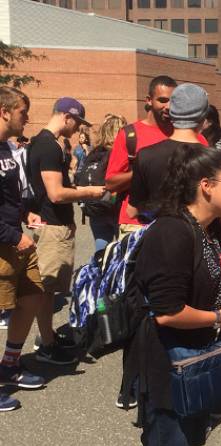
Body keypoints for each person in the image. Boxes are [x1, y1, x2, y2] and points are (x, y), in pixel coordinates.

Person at [125, 144, 221, 446]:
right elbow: (168, 312)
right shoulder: (172, 232)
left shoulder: (204, 230)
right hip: (166, 366)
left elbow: (202, 289)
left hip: (190, 364)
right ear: (206, 186)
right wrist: (219, 317)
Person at [28, 97, 106, 365]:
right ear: (67, 116)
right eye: (78, 123)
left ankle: (47, 336)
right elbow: (56, 193)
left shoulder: (44, 143)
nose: (78, 129)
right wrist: (91, 192)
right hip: (53, 228)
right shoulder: (49, 147)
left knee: (47, 290)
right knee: (45, 289)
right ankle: (46, 346)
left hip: (50, 225)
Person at [0, 87, 46, 411]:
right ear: (5, 111)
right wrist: (13, 236)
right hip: (6, 242)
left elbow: (7, 197)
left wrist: (23, 215)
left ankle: (10, 364)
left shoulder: (5, 148)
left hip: (15, 238)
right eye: (22, 112)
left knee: (31, 296)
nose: (26, 118)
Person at [105, 75, 177, 238]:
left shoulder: (184, 134)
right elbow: (110, 183)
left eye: (173, 101)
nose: (168, 106)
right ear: (149, 100)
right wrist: (143, 171)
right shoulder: (130, 134)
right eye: (163, 100)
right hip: (135, 224)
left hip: (173, 222)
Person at [128, 83, 210, 221]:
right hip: (197, 235)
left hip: (158, 235)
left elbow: (132, 211)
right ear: (203, 116)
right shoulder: (214, 159)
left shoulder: (145, 155)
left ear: (172, 111)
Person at [83, 114, 127, 251]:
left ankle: (98, 271)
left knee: (101, 251)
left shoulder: (94, 153)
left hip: (96, 208)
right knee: (123, 253)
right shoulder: (120, 153)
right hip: (116, 208)